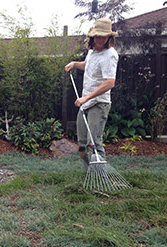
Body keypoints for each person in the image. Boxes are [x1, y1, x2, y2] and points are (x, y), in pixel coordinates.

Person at [65, 18, 118, 168]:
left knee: (93, 141)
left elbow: (110, 82)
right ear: (92, 36)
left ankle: (100, 176)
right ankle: (88, 172)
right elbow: (88, 66)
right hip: (86, 102)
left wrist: (86, 97)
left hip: (99, 103)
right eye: (98, 35)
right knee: (82, 142)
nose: (100, 39)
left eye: (104, 36)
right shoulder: (92, 52)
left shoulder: (110, 55)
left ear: (109, 37)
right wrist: (75, 64)